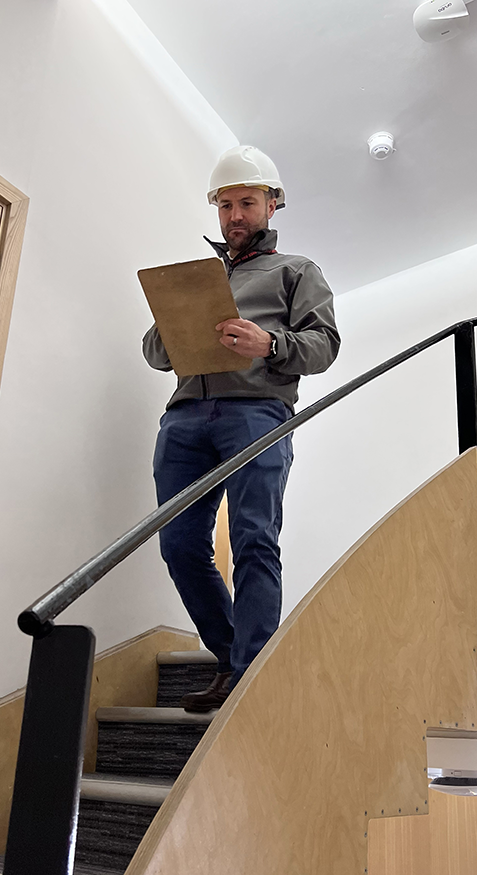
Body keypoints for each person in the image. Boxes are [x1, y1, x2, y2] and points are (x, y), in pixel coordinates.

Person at [143, 145, 340, 712]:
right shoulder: (195, 278)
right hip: (183, 419)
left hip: (256, 414)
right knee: (179, 544)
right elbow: (156, 353)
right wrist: (176, 327)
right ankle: (233, 659)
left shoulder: (297, 271)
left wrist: (270, 343)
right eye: (225, 204)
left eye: (247, 202)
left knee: (254, 538)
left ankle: (251, 675)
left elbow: (324, 346)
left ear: (272, 204)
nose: (235, 215)